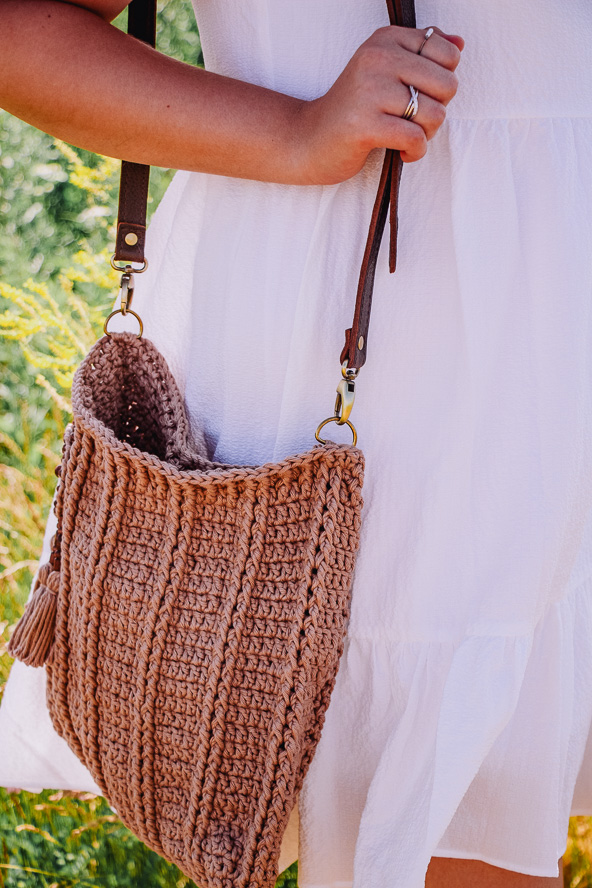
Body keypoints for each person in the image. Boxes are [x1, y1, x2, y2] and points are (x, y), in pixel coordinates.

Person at [0, 1, 591, 886]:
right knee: (436, 826)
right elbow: (23, 31)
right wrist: (294, 131)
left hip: (552, 317)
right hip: (384, 335)